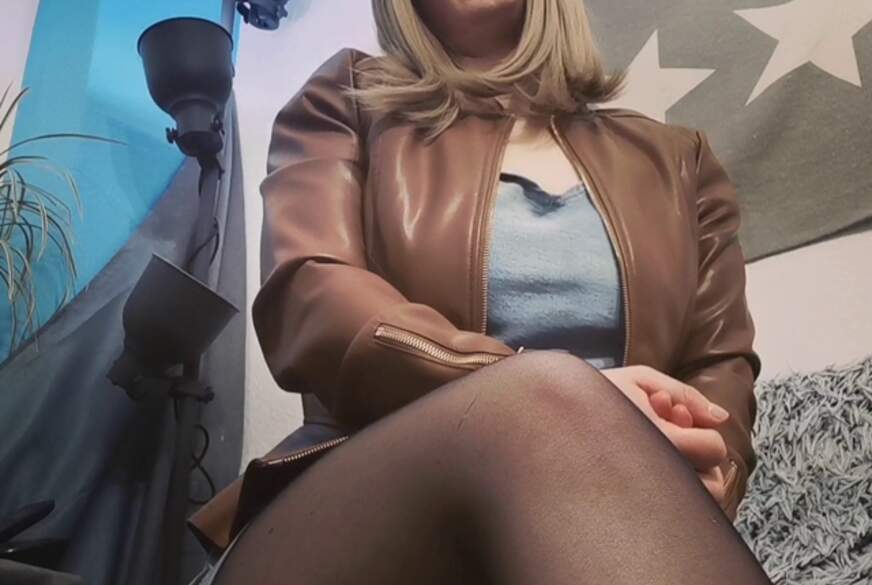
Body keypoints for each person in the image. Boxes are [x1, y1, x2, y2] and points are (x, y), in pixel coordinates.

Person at [196, 0, 772, 583]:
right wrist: (544, 397)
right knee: (544, 396)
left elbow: (719, 365)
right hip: (354, 517)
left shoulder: (680, 161)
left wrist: (707, 473)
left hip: (602, 526)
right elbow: (309, 297)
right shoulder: (346, 101)